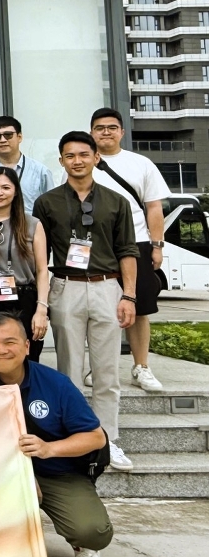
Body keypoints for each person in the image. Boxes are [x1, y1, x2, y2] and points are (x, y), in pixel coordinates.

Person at [0, 313, 114, 557]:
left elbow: (95, 437)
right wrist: (20, 475)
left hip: (57, 472)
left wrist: (49, 449)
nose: (0, 350)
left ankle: (82, 544)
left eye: (9, 342)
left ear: (27, 345)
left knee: (92, 531)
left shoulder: (56, 384)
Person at [33, 131, 139, 472]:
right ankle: (75, 438)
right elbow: (39, 257)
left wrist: (129, 295)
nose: (76, 161)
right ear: (61, 161)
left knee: (107, 371)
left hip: (107, 286)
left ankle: (109, 439)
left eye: (83, 154)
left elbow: (127, 251)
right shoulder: (47, 203)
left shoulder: (116, 201)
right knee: (69, 370)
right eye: (69, 155)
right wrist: (42, 301)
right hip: (66, 286)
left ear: (96, 157)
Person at [89, 107, 171, 392]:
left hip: (137, 244)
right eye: (100, 128)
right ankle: (100, 367)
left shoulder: (141, 163)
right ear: (91, 132)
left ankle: (141, 367)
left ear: (122, 132)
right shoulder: (83, 162)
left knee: (140, 307)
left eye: (112, 127)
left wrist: (157, 246)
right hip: (97, 247)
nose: (106, 132)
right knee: (98, 309)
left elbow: (154, 207)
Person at [0, 167, 50, 363]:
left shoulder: (33, 224)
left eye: (5, 187)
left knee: (25, 357)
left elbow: (42, 270)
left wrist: (42, 308)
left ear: (16, 192)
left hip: (24, 298)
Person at [0, 115, 56, 213]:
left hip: (30, 222)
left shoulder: (41, 171)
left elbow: (50, 206)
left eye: (8, 135)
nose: (2, 140)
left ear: (19, 137)